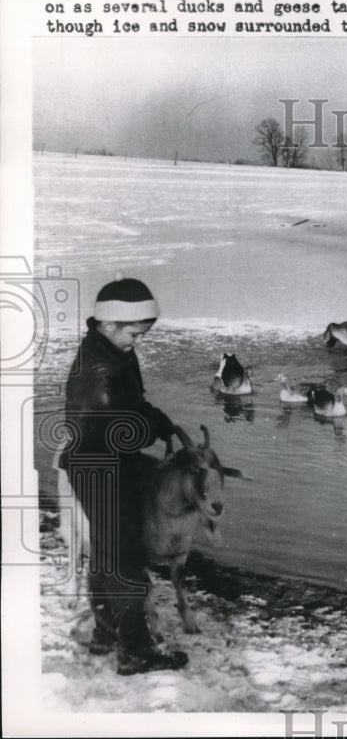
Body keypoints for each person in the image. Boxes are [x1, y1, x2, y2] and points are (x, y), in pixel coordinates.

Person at [59, 275, 188, 675]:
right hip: (99, 464)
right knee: (125, 558)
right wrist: (148, 428)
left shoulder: (112, 351)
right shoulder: (98, 369)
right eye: (134, 333)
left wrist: (163, 424)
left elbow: (136, 403)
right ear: (110, 323)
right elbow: (116, 422)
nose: (137, 341)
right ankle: (134, 650)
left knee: (107, 551)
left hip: (104, 461)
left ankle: (106, 632)